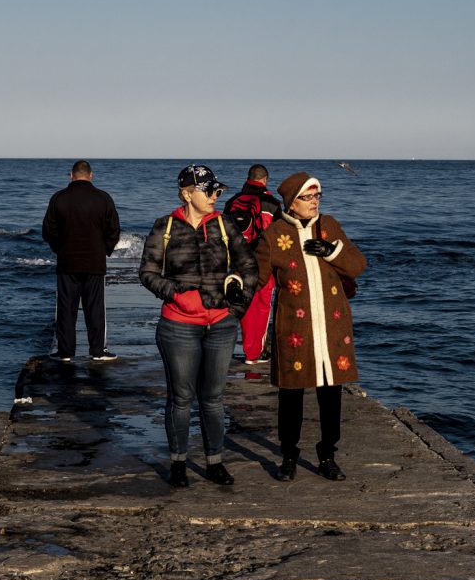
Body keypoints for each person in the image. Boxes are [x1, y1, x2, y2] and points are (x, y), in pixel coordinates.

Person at [139, 164, 258, 487]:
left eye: (217, 191)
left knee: (213, 398)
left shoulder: (224, 224)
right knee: (180, 398)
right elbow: (147, 273)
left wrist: (237, 307)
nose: (215, 196)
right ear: (187, 194)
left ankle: (214, 462)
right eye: (209, 191)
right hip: (177, 326)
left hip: (221, 326)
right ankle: (178, 463)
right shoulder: (164, 227)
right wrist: (178, 294)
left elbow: (249, 266)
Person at [254, 171, 366, 482]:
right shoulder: (274, 235)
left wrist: (333, 252)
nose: (315, 202)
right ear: (291, 203)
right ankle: (289, 455)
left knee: (331, 392)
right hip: (294, 328)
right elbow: (256, 276)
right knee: (291, 394)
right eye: (308, 197)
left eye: (317, 196)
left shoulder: (329, 226)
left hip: (332, 326)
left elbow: (358, 264)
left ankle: (327, 454)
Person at [42, 160, 121, 362]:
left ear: (71, 175)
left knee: (66, 309)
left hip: (67, 262)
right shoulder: (103, 198)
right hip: (94, 262)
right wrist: (105, 249)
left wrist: (59, 249)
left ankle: (65, 352)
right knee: (95, 308)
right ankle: (98, 351)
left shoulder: (59, 198)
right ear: (91, 175)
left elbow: (48, 230)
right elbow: (114, 230)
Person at [223, 164, 281, 365]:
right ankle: (255, 353)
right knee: (262, 307)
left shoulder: (232, 202)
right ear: (265, 180)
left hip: (238, 261)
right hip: (264, 262)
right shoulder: (272, 203)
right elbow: (280, 236)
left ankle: (246, 350)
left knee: (243, 305)